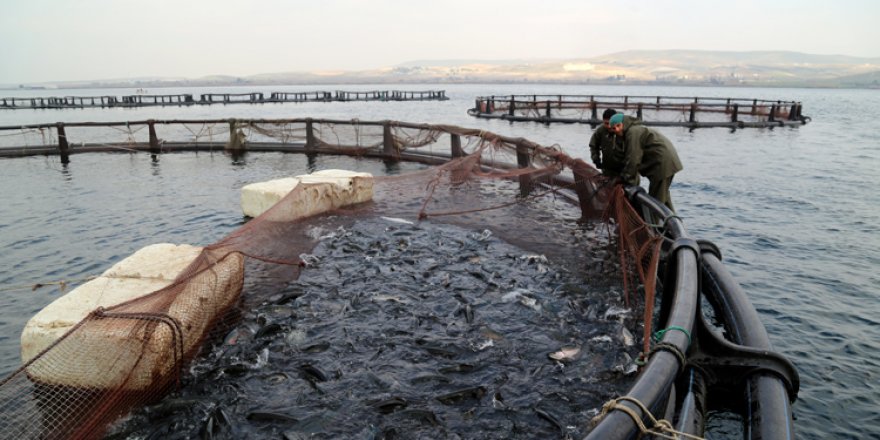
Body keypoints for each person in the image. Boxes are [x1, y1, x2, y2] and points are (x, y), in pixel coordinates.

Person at [608, 113, 683, 211]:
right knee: (664, 198)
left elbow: (633, 159)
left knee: (655, 202)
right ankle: (674, 224)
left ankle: (654, 226)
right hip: (664, 163)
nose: (617, 130)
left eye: (618, 126)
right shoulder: (631, 132)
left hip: (662, 164)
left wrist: (626, 180)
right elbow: (625, 158)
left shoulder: (632, 132)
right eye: (614, 128)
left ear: (624, 123)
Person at [589, 109, 629, 180]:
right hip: (607, 171)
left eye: (610, 123)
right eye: (606, 123)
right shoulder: (601, 131)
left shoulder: (626, 132)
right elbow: (593, 145)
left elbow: (634, 155)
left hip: (625, 172)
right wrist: (596, 159)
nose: (608, 126)